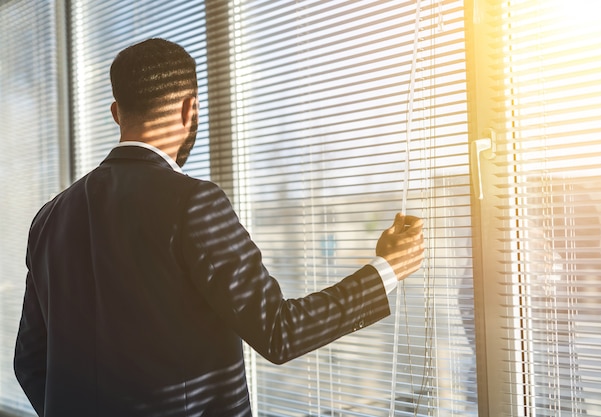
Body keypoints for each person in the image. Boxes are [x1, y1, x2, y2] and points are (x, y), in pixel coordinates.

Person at [14, 38, 425, 417]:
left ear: (117, 113)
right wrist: (388, 268)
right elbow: (280, 332)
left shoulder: (48, 218)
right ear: (190, 108)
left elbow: (29, 362)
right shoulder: (192, 202)